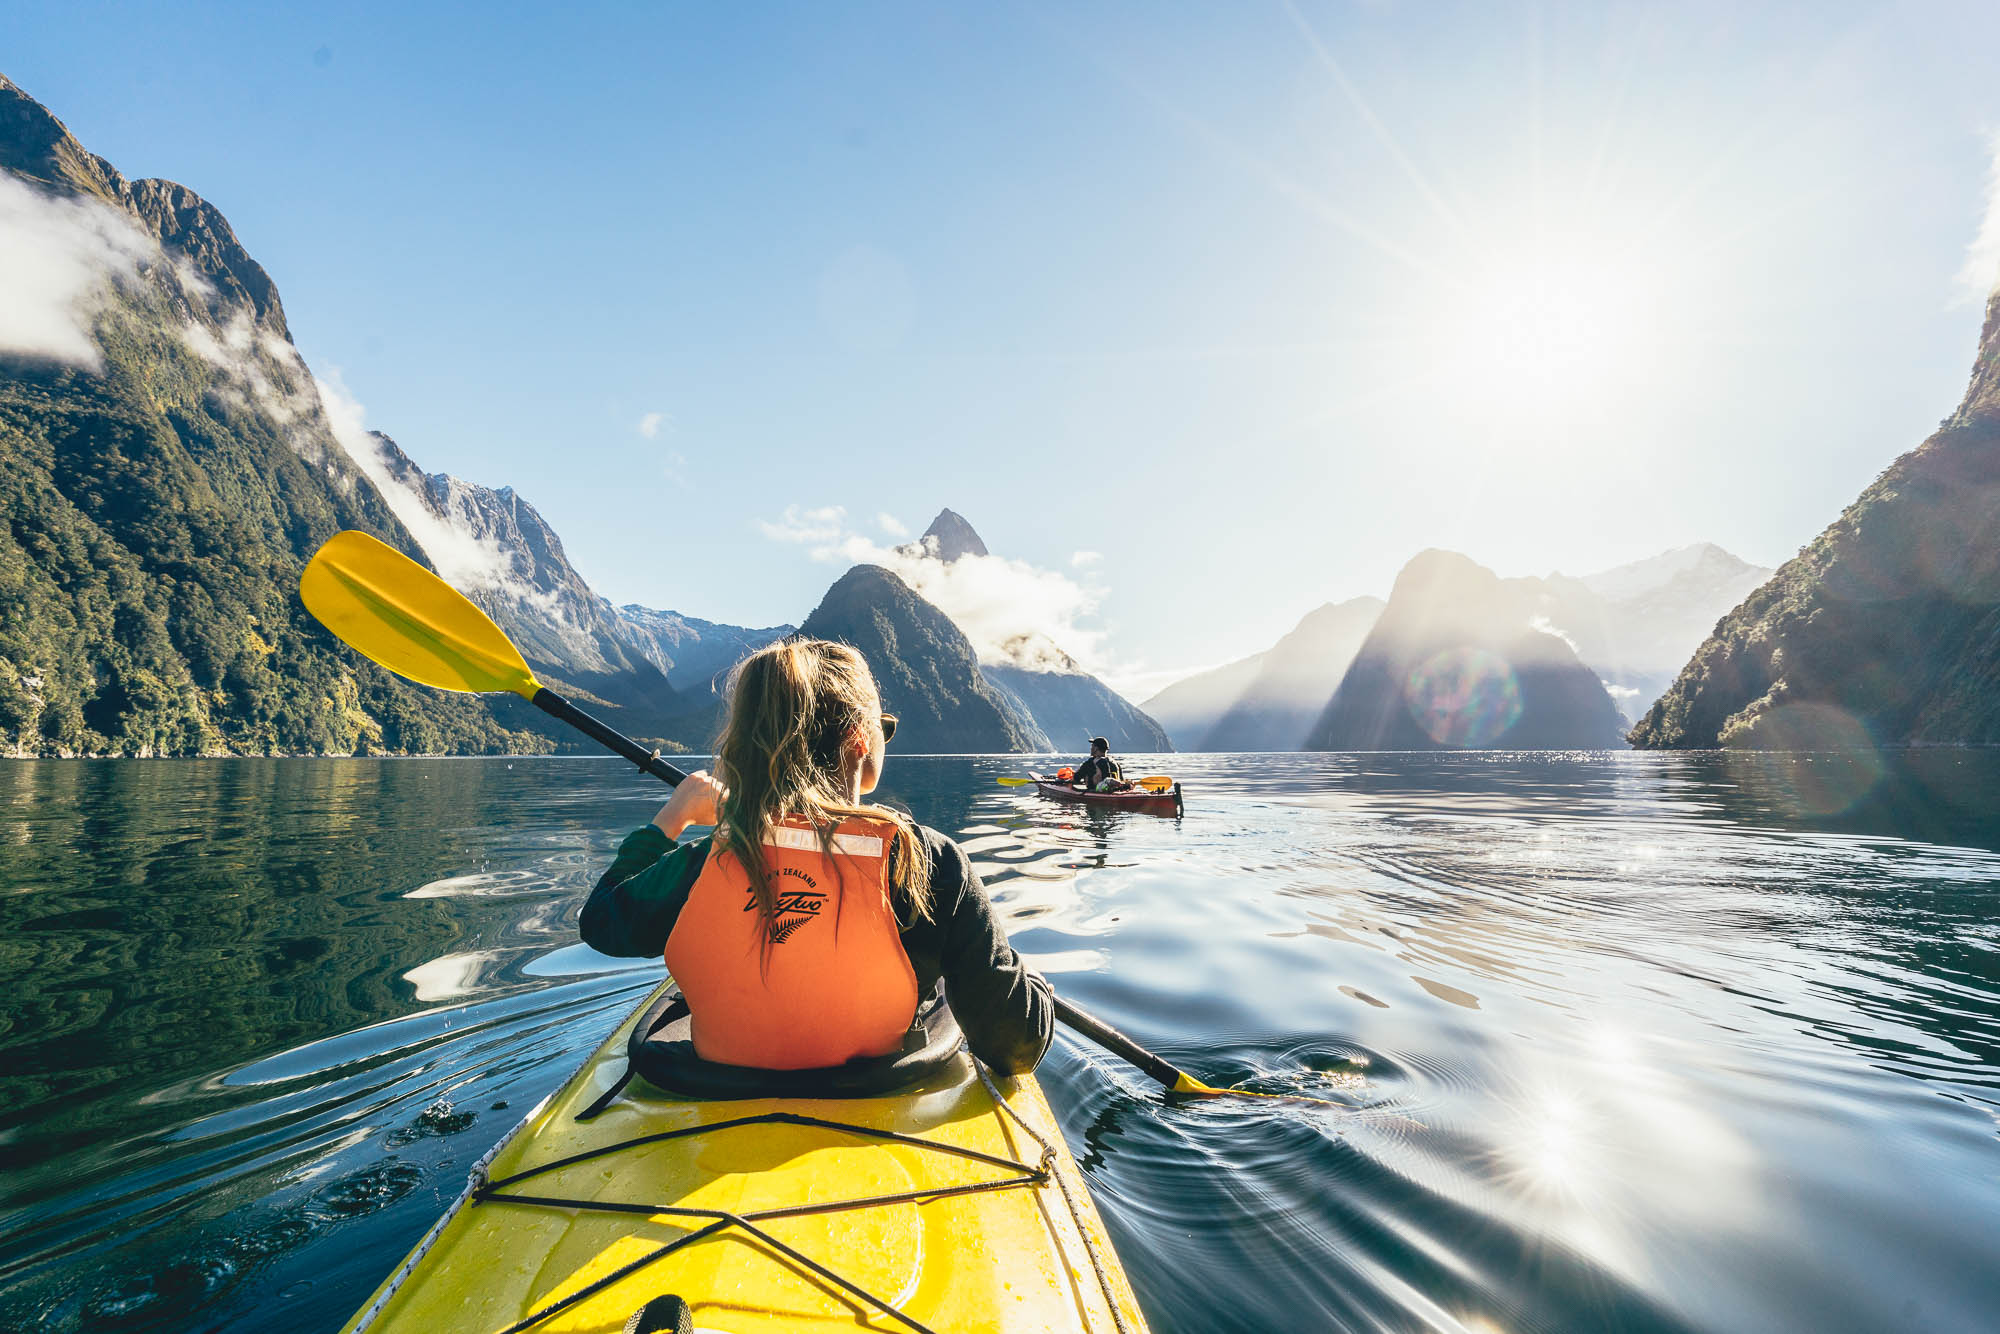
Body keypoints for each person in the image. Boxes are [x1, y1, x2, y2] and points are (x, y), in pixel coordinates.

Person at [581, 638, 1052, 1076]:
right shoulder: (927, 862)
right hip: (876, 1095)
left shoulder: (703, 864)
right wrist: (1039, 992)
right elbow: (1015, 1046)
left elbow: (600, 921)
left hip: (718, 1087)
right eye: (883, 727)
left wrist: (671, 819)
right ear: (859, 739)